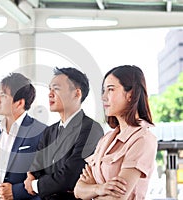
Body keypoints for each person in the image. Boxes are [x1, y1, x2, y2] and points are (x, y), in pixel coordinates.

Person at [74, 65, 157, 200]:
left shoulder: (143, 139)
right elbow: (78, 190)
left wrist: (91, 192)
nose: (104, 97)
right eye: (104, 91)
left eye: (111, 90)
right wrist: (99, 188)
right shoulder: (106, 139)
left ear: (131, 94)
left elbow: (117, 198)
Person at [24, 67, 104, 200]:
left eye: (56, 89)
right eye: (50, 89)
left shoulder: (91, 129)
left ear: (77, 94)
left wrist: (34, 185)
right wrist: (32, 177)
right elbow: (36, 165)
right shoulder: (49, 131)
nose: (50, 94)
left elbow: (70, 176)